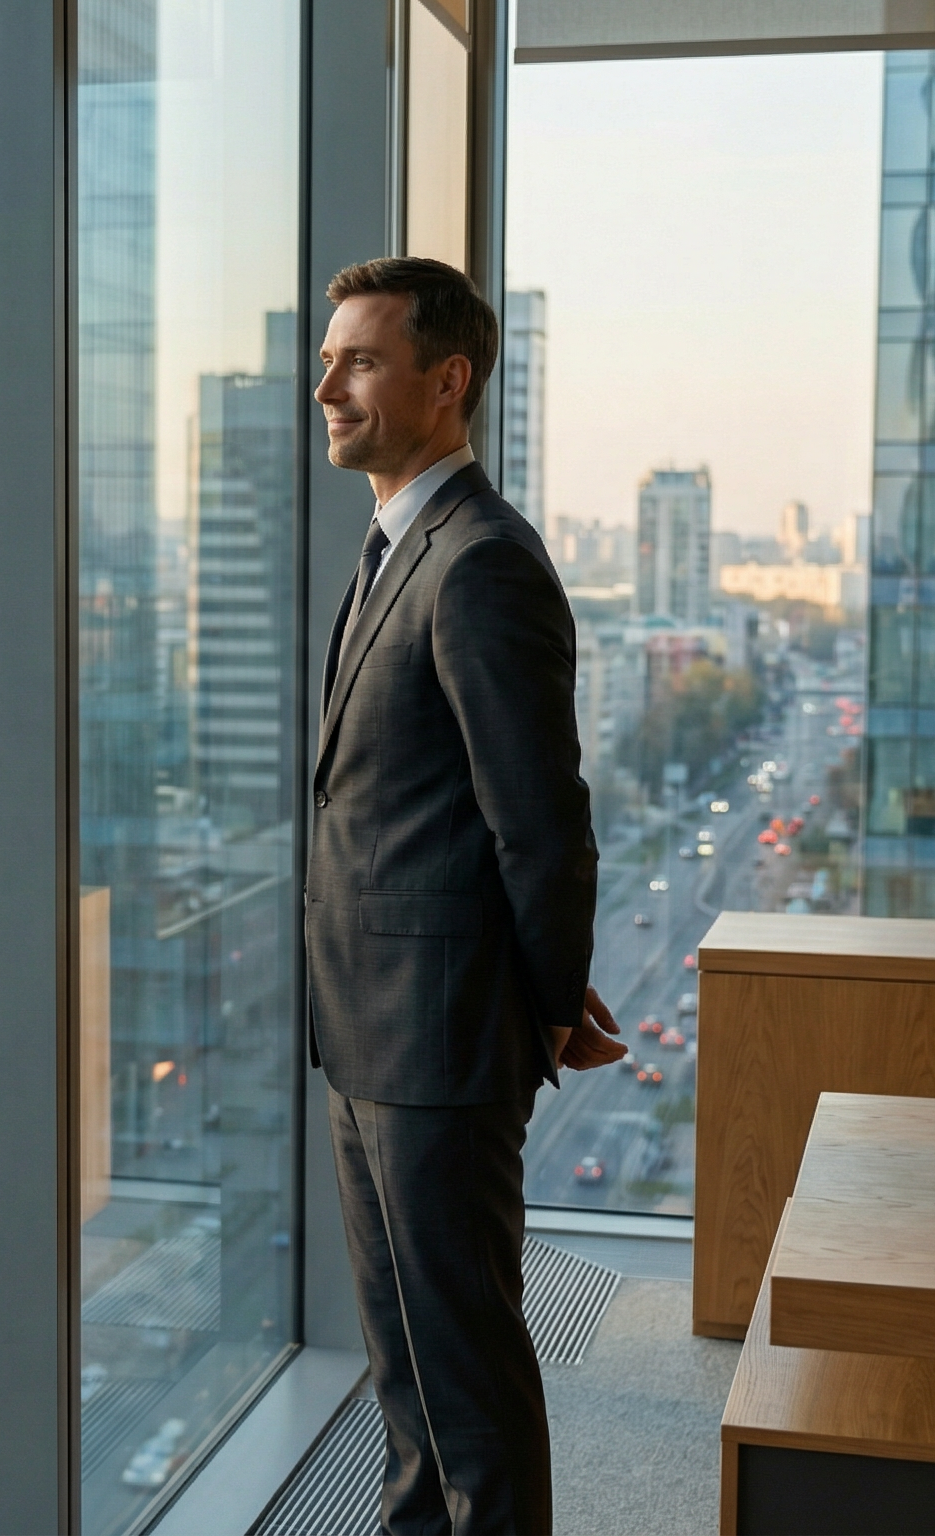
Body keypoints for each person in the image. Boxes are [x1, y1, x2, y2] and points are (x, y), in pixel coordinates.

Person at [304, 257, 618, 1535]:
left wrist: (544, 1010)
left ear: (448, 381)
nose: (325, 385)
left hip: (437, 1044)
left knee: (466, 1383)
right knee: (407, 1382)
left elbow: (539, 825)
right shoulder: (394, 547)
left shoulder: (480, 559)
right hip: (372, 1030)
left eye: (359, 360)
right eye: (327, 359)